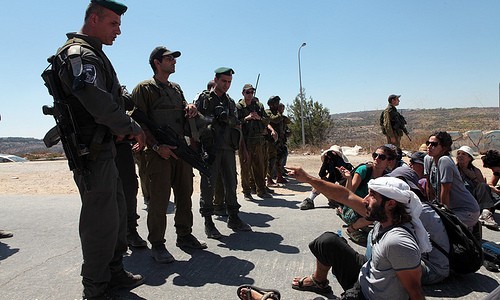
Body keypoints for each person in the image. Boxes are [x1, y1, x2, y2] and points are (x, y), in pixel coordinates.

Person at [51, 1, 146, 298]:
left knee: (116, 214)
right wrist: (132, 127)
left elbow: (111, 99)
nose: (118, 31)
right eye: (113, 24)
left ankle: (114, 272)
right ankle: (94, 287)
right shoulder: (79, 54)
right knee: (100, 221)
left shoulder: (94, 54)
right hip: (91, 153)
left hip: (106, 148)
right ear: (94, 19)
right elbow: (97, 103)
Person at [287, 169, 430, 300]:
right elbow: (345, 195)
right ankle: (318, 282)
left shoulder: (398, 242)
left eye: (372, 195)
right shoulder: (383, 216)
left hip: (368, 296)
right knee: (328, 242)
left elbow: (415, 293)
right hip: (367, 276)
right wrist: (308, 179)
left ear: (391, 204)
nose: (365, 199)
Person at [131, 46, 207, 263]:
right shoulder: (144, 89)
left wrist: (191, 107)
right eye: (169, 58)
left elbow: (184, 113)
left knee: (184, 195)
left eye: (174, 58)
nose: (174, 61)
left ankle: (184, 235)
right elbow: (138, 123)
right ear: (157, 62)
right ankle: (157, 244)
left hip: (180, 152)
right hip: (158, 155)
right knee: (159, 201)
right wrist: (156, 148)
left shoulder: (176, 88)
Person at [196, 67, 251, 239]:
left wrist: (227, 118)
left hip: (227, 148)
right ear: (216, 79)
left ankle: (233, 217)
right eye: (223, 81)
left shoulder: (230, 101)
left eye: (229, 82)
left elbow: (236, 123)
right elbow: (196, 121)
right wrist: (214, 119)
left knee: (231, 183)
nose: (226, 85)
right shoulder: (204, 99)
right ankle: (208, 222)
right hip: (211, 148)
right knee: (208, 185)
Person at [336, 145, 396, 243]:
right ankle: (351, 229)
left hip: (368, 208)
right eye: (375, 155)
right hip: (352, 208)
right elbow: (348, 193)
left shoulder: (387, 176)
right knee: (376, 214)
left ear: (389, 162)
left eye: (382, 157)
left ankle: (363, 224)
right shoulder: (364, 170)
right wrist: (349, 179)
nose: (377, 159)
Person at [424, 131, 480, 229]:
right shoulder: (428, 159)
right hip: (450, 208)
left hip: (465, 210)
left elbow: (445, 191)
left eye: (434, 144)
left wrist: (445, 217)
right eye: (428, 143)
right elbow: (429, 186)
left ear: (444, 148)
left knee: (437, 227)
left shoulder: (445, 161)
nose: (429, 146)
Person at [236, 84, 272, 200]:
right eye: (247, 92)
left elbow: (267, 120)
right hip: (245, 141)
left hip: (258, 141)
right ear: (243, 93)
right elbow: (234, 122)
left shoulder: (258, 106)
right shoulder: (239, 107)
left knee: (259, 167)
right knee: (245, 168)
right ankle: (246, 191)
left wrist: (259, 118)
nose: (250, 95)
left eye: (252, 92)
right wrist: (246, 118)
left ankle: (261, 190)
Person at [456, 146, 498, 229]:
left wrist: (473, 178)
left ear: (469, 158)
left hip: (473, 197)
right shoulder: (453, 169)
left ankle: (486, 214)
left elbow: (482, 188)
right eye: (458, 154)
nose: (460, 156)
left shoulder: (475, 171)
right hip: (460, 197)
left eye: (463, 154)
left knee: (483, 185)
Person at [299, 145, 353, 210]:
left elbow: (341, 180)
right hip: (336, 192)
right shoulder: (331, 164)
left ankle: (338, 202)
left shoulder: (346, 165)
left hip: (345, 193)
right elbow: (321, 174)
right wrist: (326, 161)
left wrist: (336, 161)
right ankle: (310, 200)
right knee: (320, 182)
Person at [265, 96, 287, 186]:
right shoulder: (268, 112)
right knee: (271, 159)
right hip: (271, 140)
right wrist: (279, 113)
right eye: (276, 103)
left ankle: (279, 176)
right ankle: (269, 179)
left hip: (279, 140)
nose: (278, 104)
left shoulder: (278, 113)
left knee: (279, 159)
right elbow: (275, 120)